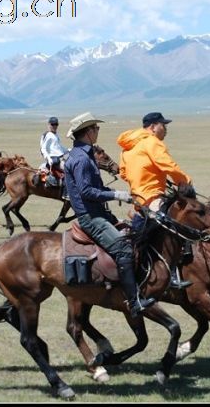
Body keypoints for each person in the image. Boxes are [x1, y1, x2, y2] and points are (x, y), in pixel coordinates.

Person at [64, 112, 156, 318]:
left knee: (132, 236)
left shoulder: (85, 155)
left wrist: (123, 194)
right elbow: (86, 191)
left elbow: (94, 187)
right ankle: (134, 302)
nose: (98, 131)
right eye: (96, 128)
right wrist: (116, 194)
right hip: (91, 217)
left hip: (100, 213)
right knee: (123, 249)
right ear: (88, 132)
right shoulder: (81, 159)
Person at [117, 112, 193, 289]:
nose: (166, 129)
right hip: (153, 197)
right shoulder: (152, 142)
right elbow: (167, 164)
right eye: (163, 125)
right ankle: (172, 274)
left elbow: (123, 173)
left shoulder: (128, 147)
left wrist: (145, 176)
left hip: (138, 199)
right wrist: (185, 181)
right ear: (152, 126)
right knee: (177, 227)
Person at [39, 116, 68, 187]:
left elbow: (58, 148)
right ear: (48, 124)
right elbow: (43, 148)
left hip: (60, 158)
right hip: (54, 159)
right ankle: (66, 193)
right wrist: (48, 158)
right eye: (52, 124)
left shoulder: (55, 134)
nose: (54, 126)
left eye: (56, 124)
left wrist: (68, 150)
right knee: (69, 170)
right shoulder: (48, 135)